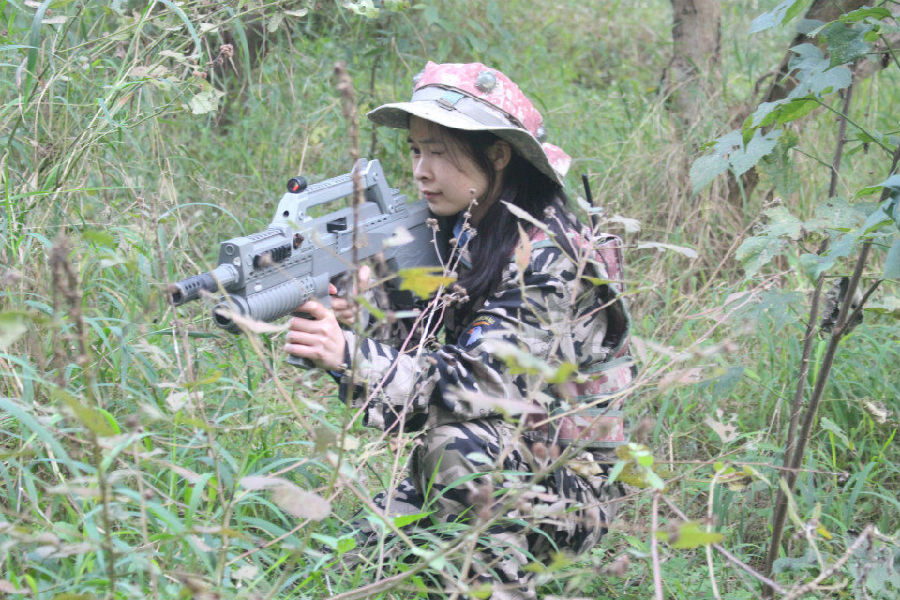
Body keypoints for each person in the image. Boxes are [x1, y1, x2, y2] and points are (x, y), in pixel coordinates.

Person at [284, 61, 633, 600]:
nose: (421, 172)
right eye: (415, 151)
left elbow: (474, 384)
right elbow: (420, 350)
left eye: (439, 152)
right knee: (345, 563)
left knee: (455, 448)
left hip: (571, 483)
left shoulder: (548, 256)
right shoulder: (466, 228)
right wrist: (365, 315)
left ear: (498, 156)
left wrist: (349, 354)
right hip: (505, 449)